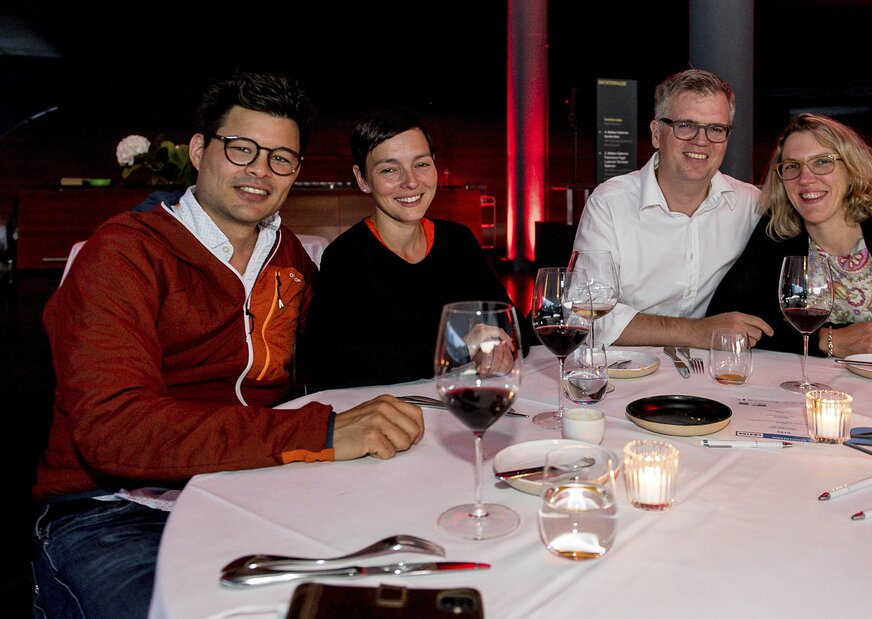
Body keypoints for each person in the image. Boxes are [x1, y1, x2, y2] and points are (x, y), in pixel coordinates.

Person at [31, 73, 425, 619]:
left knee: (391, 586)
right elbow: (115, 430)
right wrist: (322, 430)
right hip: (118, 509)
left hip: (255, 487)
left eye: (281, 158)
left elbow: (348, 354)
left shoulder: (290, 260)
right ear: (199, 150)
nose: (261, 171)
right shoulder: (124, 255)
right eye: (242, 149)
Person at [304, 107, 531, 390]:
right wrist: (456, 348)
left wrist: (500, 346)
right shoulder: (346, 257)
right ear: (362, 179)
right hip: (387, 413)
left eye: (421, 164)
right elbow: (333, 365)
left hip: (461, 400)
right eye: (389, 169)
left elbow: (515, 326)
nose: (410, 181)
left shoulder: (458, 241)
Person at [707, 112, 872, 359]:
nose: (805, 178)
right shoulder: (777, 232)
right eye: (792, 166)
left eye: (822, 162)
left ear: (851, 167)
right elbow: (727, 321)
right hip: (816, 392)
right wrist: (827, 340)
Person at [572, 68, 773, 348]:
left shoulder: (750, 205)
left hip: (712, 373)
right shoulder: (610, 204)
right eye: (686, 125)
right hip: (625, 374)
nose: (701, 141)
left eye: (715, 129)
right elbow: (589, 316)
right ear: (657, 134)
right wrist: (697, 332)